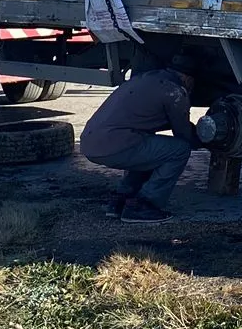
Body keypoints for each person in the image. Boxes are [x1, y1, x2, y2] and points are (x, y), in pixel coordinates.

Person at [78, 53, 204, 220]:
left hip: (90, 142)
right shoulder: (174, 91)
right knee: (179, 150)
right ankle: (144, 205)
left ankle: (121, 199)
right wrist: (205, 140)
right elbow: (183, 135)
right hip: (113, 145)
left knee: (149, 147)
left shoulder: (144, 79)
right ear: (189, 79)